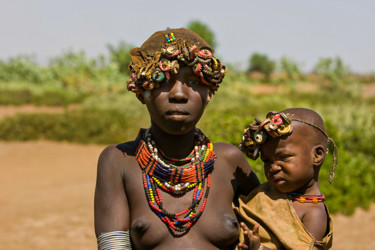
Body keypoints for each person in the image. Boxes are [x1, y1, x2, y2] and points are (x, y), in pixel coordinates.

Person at [94, 28, 260, 249]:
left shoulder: (229, 160)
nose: (179, 94)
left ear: (209, 92)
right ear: (142, 91)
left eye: (193, 82)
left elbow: (273, 227)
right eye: (163, 80)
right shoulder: (118, 161)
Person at [235, 108, 338, 250]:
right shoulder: (265, 193)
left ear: (317, 155)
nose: (273, 167)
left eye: (283, 158)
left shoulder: (313, 214)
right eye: (267, 161)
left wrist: (259, 248)